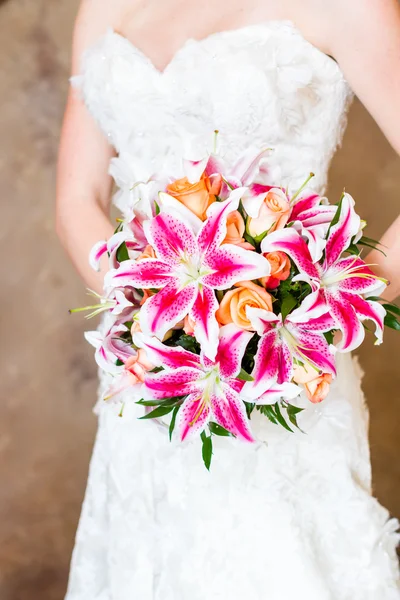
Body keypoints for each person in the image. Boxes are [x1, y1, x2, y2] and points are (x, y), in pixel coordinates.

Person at [57, 1, 400, 598]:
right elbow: (75, 200)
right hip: (150, 382)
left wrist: (324, 306)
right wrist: (150, 320)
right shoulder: (101, 7)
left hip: (282, 376)